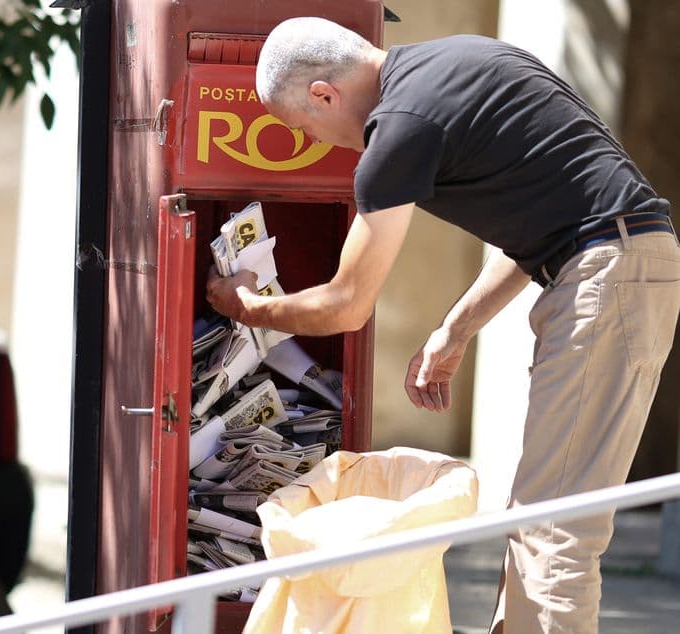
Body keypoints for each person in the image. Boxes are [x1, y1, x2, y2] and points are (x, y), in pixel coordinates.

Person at [206, 16, 680, 634]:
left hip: (606, 278)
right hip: (615, 264)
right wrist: (455, 328)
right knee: (538, 516)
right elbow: (549, 219)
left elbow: (347, 304)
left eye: (304, 127)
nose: (316, 143)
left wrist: (247, 306)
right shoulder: (457, 64)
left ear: (324, 94)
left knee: (553, 528)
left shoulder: (399, 128)